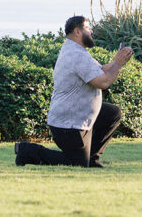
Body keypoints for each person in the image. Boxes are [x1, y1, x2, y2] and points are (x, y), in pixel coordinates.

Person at [15, 15, 134, 168]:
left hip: (79, 116)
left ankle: (92, 159)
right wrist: (118, 63)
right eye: (88, 28)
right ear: (77, 32)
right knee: (76, 163)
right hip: (68, 124)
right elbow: (103, 82)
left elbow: (101, 70)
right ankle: (26, 150)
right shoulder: (76, 55)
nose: (91, 31)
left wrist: (119, 60)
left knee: (111, 113)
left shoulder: (75, 50)